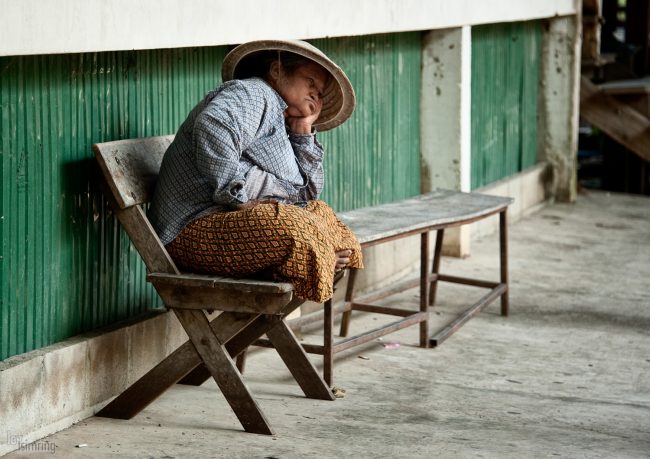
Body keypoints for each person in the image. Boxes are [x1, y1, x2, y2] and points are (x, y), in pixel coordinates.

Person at [148, 39, 363, 303]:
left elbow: (306, 193)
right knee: (294, 226)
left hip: (228, 228)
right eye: (310, 82)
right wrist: (237, 199)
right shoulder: (254, 93)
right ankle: (318, 251)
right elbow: (213, 124)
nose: (315, 97)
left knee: (320, 212)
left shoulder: (281, 119)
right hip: (191, 232)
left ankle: (318, 250)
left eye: (319, 93)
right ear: (276, 70)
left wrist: (303, 129)